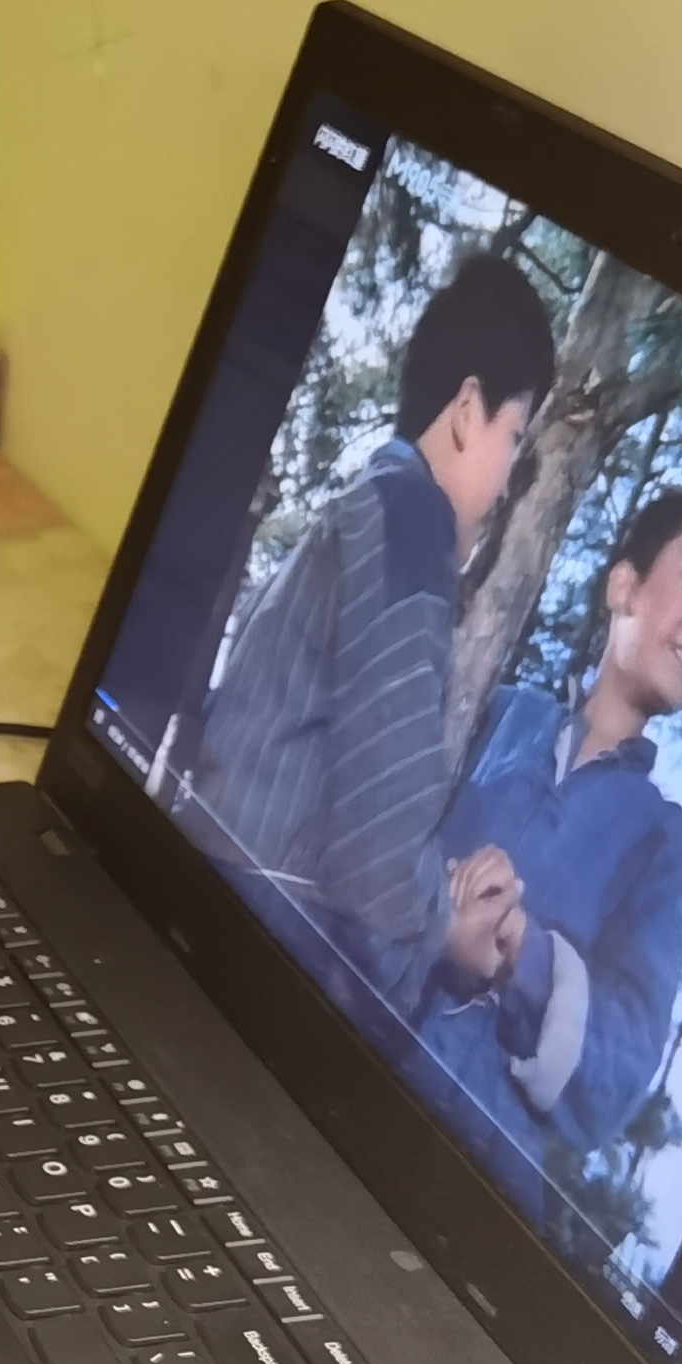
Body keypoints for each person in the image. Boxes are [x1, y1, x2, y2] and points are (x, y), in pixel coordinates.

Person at [181, 253, 557, 976]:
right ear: (468, 411)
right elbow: (374, 858)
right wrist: (446, 925)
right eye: (515, 437)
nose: (511, 478)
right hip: (242, 941)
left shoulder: (359, 514)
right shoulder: (413, 519)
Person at [419, 483, 682, 1179]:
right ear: (623, 588)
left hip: (471, 1170)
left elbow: (620, 1075)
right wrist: (434, 913)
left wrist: (521, 954)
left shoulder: (661, 839)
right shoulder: (497, 710)